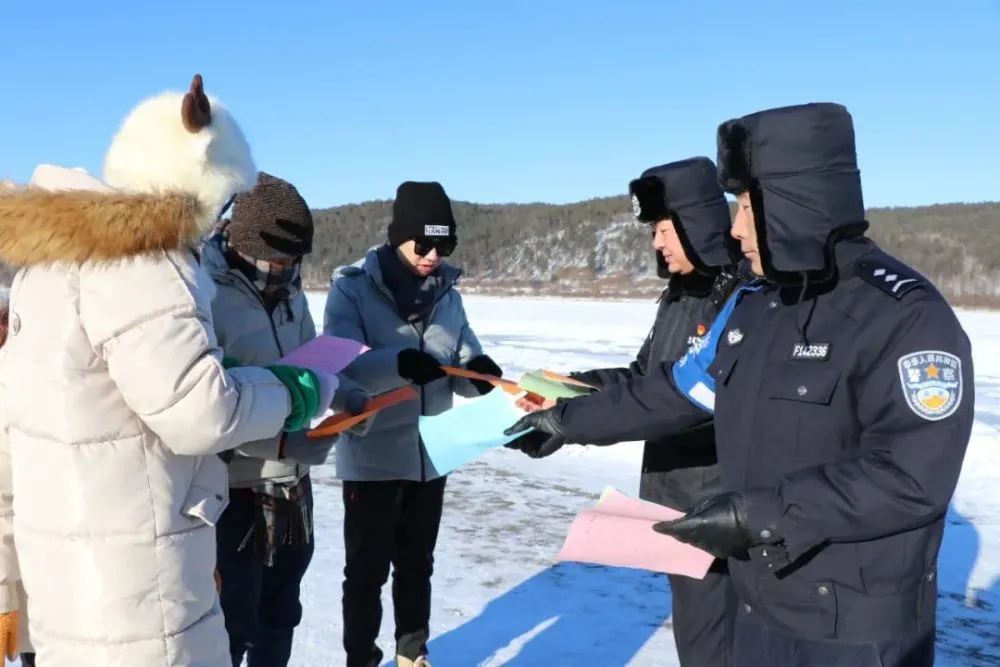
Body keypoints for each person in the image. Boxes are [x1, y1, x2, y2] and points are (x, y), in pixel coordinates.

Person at [505, 102, 974, 667]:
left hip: (851, 630)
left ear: (797, 202)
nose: (734, 228)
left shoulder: (902, 315)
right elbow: (678, 391)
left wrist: (761, 514)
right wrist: (566, 421)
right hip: (761, 607)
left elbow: (910, 477)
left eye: (747, 207)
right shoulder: (756, 306)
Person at [0, 75, 335, 666]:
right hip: (140, 589)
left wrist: (6, 580)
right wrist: (289, 390)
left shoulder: (48, 268)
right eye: (223, 199)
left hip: (66, 585)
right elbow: (199, 413)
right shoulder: (143, 261)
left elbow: (17, 432)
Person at [519, 156, 745, 666]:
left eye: (664, 229)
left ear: (697, 222)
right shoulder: (681, 294)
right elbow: (644, 378)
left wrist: (570, 423)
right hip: (679, 508)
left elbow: (677, 401)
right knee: (699, 644)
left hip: (720, 512)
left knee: (720, 649)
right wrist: (569, 389)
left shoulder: (737, 298)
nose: (657, 243)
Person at [323, 180, 502, 667]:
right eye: (423, 244)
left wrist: (481, 376)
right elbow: (341, 367)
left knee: (417, 566)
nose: (433, 255)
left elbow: (460, 360)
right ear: (397, 236)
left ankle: (412, 654)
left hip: (431, 456)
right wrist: (397, 363)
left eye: (444, 245)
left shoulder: (449, 296)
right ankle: (361, 658)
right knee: (366, 572)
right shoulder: (352, 290)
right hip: (373, 457)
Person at [204, 171, 368, 666]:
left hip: (291, 491)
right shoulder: (203, 292)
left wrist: (340, 393)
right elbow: (201, 405)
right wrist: (274, 445)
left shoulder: (292, 288)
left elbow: (308, 362)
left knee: (280, 618)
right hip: (231, 494)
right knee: (229, 628)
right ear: (241, 239)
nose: (288, 267)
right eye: (279, 256)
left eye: (297, 257)